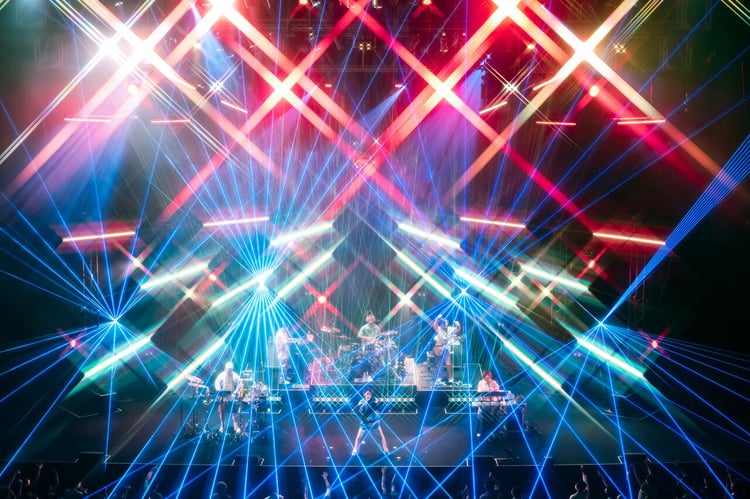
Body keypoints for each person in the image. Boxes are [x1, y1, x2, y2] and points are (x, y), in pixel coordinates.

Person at [351, 389, 388, 456]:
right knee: (358, 437)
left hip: (374, 423)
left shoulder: (375, 400)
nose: (368, 395)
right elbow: (360, 410)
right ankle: (355, 450)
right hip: (365, 424)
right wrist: (366, 402)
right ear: (364, 395)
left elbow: (376, 410)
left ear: (371, 394)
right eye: (367, 394)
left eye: (369, 394)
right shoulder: (362, 401)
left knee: (381, 436)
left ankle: (385, 449)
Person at [214, 361, 242, 433]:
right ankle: (222, 425)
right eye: (228, 369)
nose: (229, 370)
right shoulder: (222, 375)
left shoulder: (235, 375)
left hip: (231, 394)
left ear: (232, 369)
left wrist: (235, 392)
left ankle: (236, 426)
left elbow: (239, 383)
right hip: (223, 395)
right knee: (222, 411)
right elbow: (217, 383)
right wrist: (219, 391)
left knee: (234, 412)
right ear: (225, 368)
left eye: (230, 369)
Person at [433, 314, 461, 385]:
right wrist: (437, 318)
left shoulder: (450, 329)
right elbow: (435, 325)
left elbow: (458, 329)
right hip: (438, 348)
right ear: (442, 324)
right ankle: (440, 376)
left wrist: (458, 325)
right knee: (439, 364)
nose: (446, 324)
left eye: (447, 323)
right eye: (445, 323)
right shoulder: (439, 329)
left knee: (448, 363)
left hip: (446, 349)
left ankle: (450, 377)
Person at [476, 370, 502, 438]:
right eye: (486, 376)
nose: (488, 377)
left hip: (493, 403)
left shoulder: (494, 383)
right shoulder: (481, 383)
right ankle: (479, 432)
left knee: (499, 410)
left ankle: (496, 432)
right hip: (484, 403)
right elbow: (480, 394)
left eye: (489, 376)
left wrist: (494, 399)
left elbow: (498, 393)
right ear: (484, 376)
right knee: (480, 414)